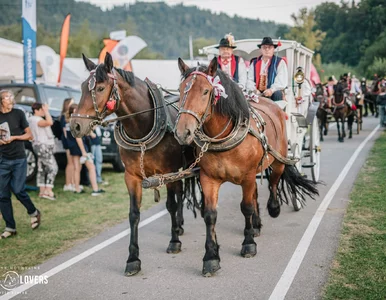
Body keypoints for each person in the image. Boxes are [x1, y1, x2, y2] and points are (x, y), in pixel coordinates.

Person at [0, 90, 41, 239]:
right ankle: (10, 227)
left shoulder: (18, 113)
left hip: (19, 158)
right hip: (2, 160)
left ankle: (34, 212)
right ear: (1, 101)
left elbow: (29, 135)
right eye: (7, 97)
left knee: (18, 190)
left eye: (11, 96)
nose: (11, 99)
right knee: (2, 195)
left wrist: (13, 138)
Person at [67, 103, 105, 196]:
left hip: (74, 148)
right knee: (91, 167)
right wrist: (84, 151)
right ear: (73, 111)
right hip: (81, 148)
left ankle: (77, 189)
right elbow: (78, 138)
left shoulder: (71, 121)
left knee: (77, 169)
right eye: (76, 109)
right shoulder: (76, 121)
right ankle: (95, 190)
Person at [29, 103, 58, 200]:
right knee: (53, 168)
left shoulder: (32, 119)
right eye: (42, 109)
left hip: (39, 146)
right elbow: (49, 122)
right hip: (43, 146)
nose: (43, 111)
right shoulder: (36, 119)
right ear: (36, 110)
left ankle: (42, 191)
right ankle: (48, 191)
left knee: (42, 168)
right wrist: (47, 112)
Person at [246, 37, 288, 101]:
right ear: (261, 49)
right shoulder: (254, 63)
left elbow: (281, 81)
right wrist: (254, 90)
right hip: (257, 93)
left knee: (278, 94)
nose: (267, 49)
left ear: (273, 49)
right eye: (264, 47)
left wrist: (271, 90)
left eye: (269, 47)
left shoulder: (279, 62)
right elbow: (250, 80)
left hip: (273, 93)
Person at [60, 98, 75, 192]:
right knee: (70, 163)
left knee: (73, 163)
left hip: (72, 141)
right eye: (72, 103)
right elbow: (65, 132)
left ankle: (73, 182)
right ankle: (67, 183)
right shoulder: (64, 117)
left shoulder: (70, 116)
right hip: (68, 142)